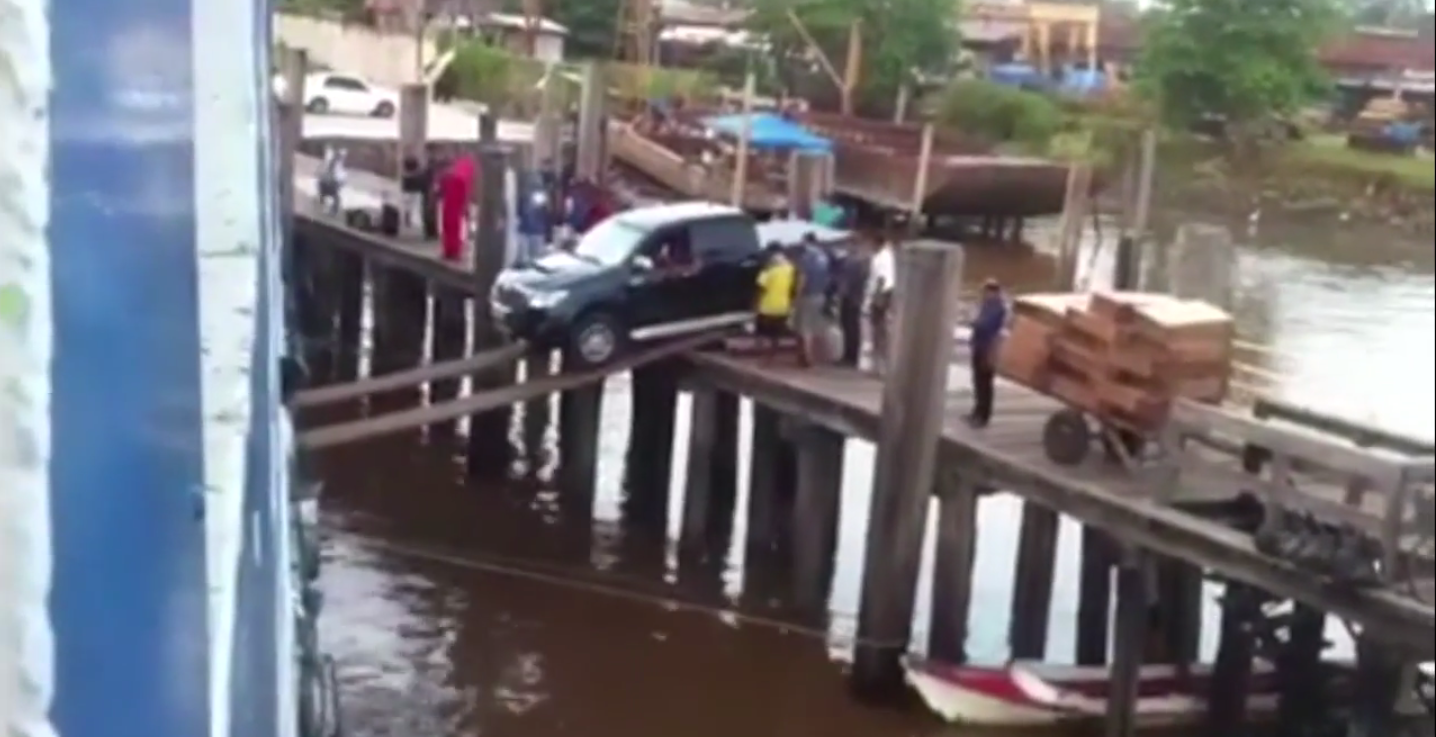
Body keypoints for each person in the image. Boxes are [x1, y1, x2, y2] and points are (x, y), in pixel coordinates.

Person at [967, 278, 1009, 428]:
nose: (984, 294)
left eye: (987, 291)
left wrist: (975, 321)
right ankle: (977, 411)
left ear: (994, 292)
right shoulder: (984, 305)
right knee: (977, 381)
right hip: (979, 346)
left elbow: (986, 325)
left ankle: (984, 415)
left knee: (985, 383)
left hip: (989, 349)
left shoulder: (998, 308)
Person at [791, 233, 832, 367]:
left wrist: (796, 296)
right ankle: (814, 355)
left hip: (807, 295)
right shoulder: (824, 256)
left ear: (806, 242)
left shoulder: (807, 257)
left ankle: (807, 358)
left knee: (804, 327)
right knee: (814, 327)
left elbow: (803, 278)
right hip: (820, 294)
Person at [754, 242, 795, 360]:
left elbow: (760, 288)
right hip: (783, 306)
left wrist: (755, 305)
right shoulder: (790, 268)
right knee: (776, 334)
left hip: (767, 306)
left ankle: (763, 356)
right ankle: (773, 355)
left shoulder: (768, 269)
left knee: (761, 332)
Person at [834, 239, 872, 367]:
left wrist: (841, 294)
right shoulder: (863, 262)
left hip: (850, 299)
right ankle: (851, 355)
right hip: (856, 298)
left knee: (849, 327)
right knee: (852, 327)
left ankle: (849, 356)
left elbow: (846, 281)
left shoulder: (852, 262)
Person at [865, 237, 896, 375]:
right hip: (886, 293)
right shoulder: (888, 255)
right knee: (881, 330)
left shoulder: (880, 258)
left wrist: (874, 300)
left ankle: (881, 366)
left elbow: (881, 279)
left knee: (879, 331)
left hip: (881, 294)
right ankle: (880, 364)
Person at [437, 154, 475, 262]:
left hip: (454, 207)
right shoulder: (448, 179)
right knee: (448, 228)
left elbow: (465, 195)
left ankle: (454, 251)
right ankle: (449, 250)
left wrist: (465, 207)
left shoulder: (456, 179)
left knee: (454, 229)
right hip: (449, 206)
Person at [317, 146, 346, 215]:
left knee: (334, 194)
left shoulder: (337, 164)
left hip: (333, 180)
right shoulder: (331, 157)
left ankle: (325, 200)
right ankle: (323, 198)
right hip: (330, 180)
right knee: (331, 192)